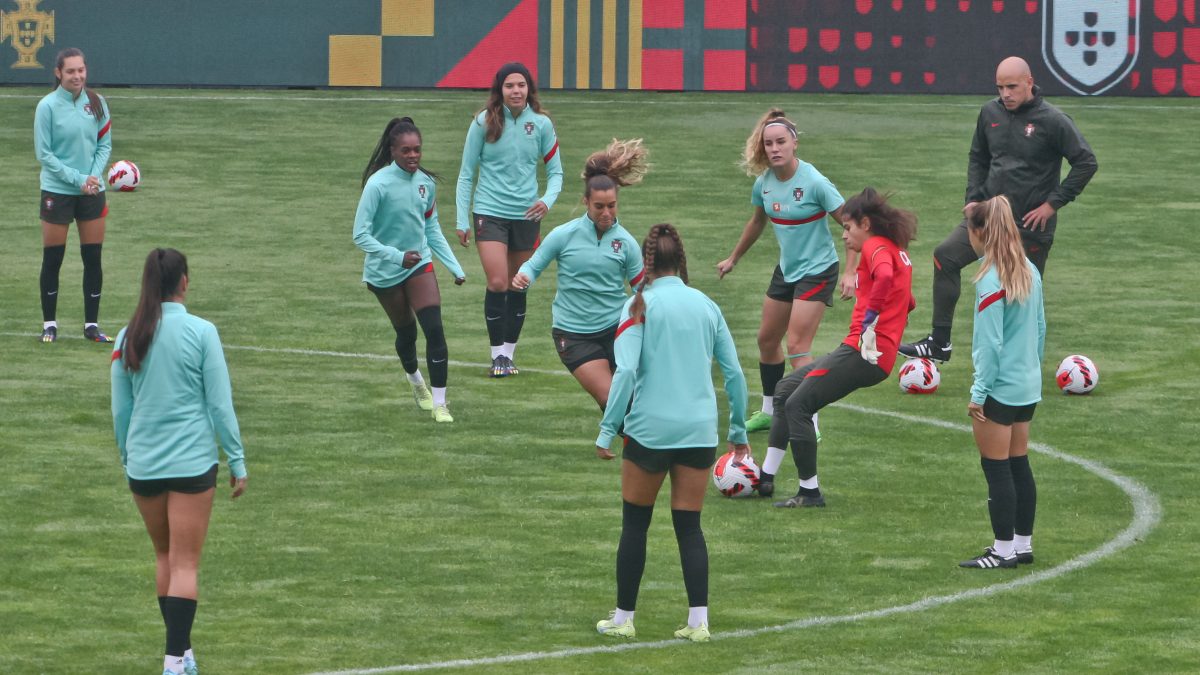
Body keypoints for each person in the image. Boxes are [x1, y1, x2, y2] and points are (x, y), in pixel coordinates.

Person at [593, 223, 749, 643]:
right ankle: (699, 622)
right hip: (698, 433)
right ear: (681, 260)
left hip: (649, 432)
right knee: (690, 526)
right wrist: (738, 430)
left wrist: (607, 430)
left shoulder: (637, 306)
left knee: (634, 525)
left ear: (645, 263)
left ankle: (624, 618)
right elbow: (733, 373)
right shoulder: (706, 305)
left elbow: (624, 371)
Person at [900, 56, 1095, 363]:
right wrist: (973, 199)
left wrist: (1051, 204)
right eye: (1000, 87)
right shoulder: (989, 112)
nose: (1005, 94)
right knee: (945, 256)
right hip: (987, 219)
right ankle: (939, 343)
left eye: (1012, 87)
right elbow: (978, 157)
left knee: (1021, 295)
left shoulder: (1054, 121)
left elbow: (1086, 162)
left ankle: (1020, 361)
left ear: (1029, 83)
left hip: (1029, 226)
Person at [110, 248, 248, 675]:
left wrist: (128, 456)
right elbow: (220, 405)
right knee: (186, 563)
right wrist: (237, 460)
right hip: (191, 464)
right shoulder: (203, 332)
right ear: (183, 282)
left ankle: (183, 653)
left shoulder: (126, 336)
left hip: (145, 467)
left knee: (165, 557)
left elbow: (121, 410)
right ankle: (173, 662)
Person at [756, 188, 917, 506]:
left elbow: (884, 277)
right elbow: (908, 300)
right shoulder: (895, 250)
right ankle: (765, 477)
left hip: (864, 351)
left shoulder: (874, 247)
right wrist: (890, 324)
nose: (844, 236)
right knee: (786, 389)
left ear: (866, 224)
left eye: (847, 227)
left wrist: (872, 316)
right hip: (867, 350)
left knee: (797, 406)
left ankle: (809, 492)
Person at [717, 108, 857, 434]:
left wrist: (852, 271)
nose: (775, 148)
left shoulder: (816, 183)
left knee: (798, 346)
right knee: (767, 340)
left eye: (781, 142)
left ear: (794, 143)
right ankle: (769, 410)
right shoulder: (763, 184)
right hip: (787, 270)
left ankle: (809, 419)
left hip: (819, 270)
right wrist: (733, 258)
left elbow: (852, 226)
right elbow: (756, 222)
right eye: (769, 144)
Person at [512, 139, 647, 455]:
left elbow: (642, 288)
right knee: (610, 395)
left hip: (617, 330)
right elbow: (534, 263)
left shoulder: (626, 244)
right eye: (599, 206)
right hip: (574, 333)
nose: (606, 213)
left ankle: (634, 446)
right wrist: (524, 276)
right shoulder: (565, 234)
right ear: (586, 202)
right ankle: (641, 450)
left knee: (639, 397)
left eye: (611, 206)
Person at [455, 62, 564, 377]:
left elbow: (556, 172)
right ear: (499, 90)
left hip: (526, 216)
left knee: (519, 284)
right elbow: (466, 174)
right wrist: (462, 219)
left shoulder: (542, 125)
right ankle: (495, 356)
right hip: (489, 212)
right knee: (498, 282)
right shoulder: (483, 123)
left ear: (529, 89)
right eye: (509, 86)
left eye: (521, 85)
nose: (516, 91)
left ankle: (508, 356)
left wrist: (546, 200)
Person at [355, 117, 466, 423]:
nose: (413, 155)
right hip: (384, 271)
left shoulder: (426, 184)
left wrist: (455, 267)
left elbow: (431, 227)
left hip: (419, 263)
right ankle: (416, 382)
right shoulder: (377, 185)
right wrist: (395, 256)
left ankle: (442, 403)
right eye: (406, 150)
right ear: (393, 151)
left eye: (417, 149)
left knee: (434, 328)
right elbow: (360, 235)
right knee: (406, 332)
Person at [958, 195, 1045, 569]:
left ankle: (1002, 550)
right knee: (1019, 464)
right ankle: (1022, 545)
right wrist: (1031, 369)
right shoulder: (1029, 269)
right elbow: (1040, 329)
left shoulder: (989, 279)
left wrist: (979, 392)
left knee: (996, 468)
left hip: (1000, 389)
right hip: (1027, 385)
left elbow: (989, 345)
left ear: (980, 233)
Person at [35, 47, 114, 344]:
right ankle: (49, 324)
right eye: (70, 71)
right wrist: (79, 179)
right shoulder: (47, 107)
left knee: (92, 257)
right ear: (58, 73)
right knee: (53, 259)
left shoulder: (97, 103)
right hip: (58, 191)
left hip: (92, 192)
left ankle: (91, 325)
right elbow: (44, 154)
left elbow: (103, 144)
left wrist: (92, 178)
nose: (77, 75)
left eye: (81, 70)